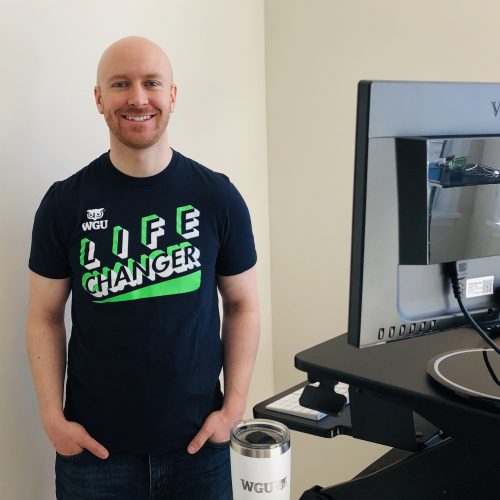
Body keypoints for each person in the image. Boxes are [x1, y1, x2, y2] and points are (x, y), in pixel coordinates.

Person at [26, 36, 260, 500]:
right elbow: (44, 316)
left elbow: (243, 305)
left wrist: (233, 408)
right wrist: (53, 418)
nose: (137, 98)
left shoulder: (217, 197)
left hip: (200, 450)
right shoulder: (63, 204)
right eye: (120, 84)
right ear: (99, 98)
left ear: (171, 95)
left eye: (152, 83)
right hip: (95, 457)